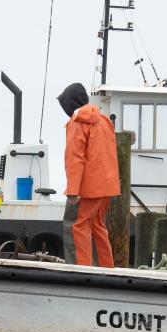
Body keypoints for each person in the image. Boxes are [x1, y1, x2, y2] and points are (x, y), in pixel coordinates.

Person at [57, 82, 119, 268]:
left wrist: (73, 191)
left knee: (76, 225)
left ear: (69, 104)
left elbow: (75, 159)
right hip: (107, 186)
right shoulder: (104, 120)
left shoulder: (77, 123)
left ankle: (80, 270)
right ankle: (107, 270)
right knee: (98, 226)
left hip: (87, 189)